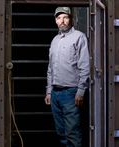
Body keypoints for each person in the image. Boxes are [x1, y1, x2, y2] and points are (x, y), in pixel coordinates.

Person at [44, 7, 90, 147]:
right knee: (61, 132)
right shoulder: (55, 40)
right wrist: (49, 91)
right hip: (55, 94)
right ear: (55, 20)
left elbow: (85, 66)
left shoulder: (79, 37)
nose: (62, 21)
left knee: (72, 132)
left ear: (71, 19)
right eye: (59, 18)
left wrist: (81, 91)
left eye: (65, 17)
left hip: (71, 93)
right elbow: (51, 68)